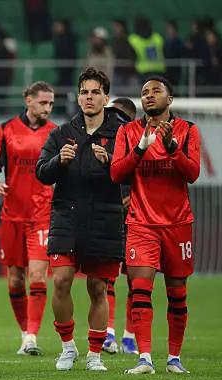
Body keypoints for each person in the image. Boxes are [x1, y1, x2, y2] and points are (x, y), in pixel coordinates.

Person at [36, 67, 127, 371]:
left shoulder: (121, 133)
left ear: (106, 97)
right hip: (67, 215)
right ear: (78, 97)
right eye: (84, 92)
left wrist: (111, 163)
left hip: (104, 217)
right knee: (61, 281)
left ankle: (95, 355)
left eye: (95, 92)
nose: (89, 97)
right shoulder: (61, 133)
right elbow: (41, 173)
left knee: (98, 288)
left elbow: (132, 173)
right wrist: (58, 162)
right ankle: (67, 347)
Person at [111, 76, 200, 374]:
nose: (149, 95)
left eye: (156, 91)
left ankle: (174, 358)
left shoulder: (188, 130)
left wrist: (172, 146)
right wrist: (139, 149)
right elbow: (116, 173)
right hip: (141, 223)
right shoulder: (128, 131)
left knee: (177, 294)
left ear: (169, 99)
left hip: (177, 223)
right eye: (144, 92)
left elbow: (192, 173)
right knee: (140, 289)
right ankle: (145, 358)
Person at [0, 81, 57, 355]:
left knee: (37, 275)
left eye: (51, 104)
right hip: (13, 215)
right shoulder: (6, 129)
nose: (47, 108)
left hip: (43, 215)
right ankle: (25, 332)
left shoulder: (56, 133)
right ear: (28, 100)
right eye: (43, 102)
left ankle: (32, 337)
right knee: (16, 279)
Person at [102, 97, 139, 355]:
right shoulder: (102, 139)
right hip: (109, 215)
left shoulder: (140, 141)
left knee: (137, 280)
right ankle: (108, 333)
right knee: (108, 277)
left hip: (138, 218)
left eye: (118, 115)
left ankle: (129, 337)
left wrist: (134, 197)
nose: (113, 119)